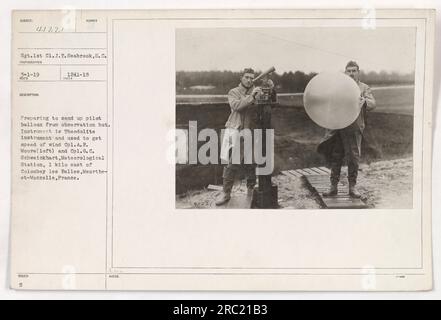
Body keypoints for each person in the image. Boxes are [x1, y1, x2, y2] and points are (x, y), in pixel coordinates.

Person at [317, 61, 376, 198]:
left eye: (354, 70)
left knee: (353, 158)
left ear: (358, 72)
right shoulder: (339, 88)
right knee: (336, 157)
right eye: (349, 71)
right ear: (345, 72)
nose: (351, 73)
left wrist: (364, 102)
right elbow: (330, 104)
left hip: (354, 129)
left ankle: (352, 187)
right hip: (339, 128)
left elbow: (373, 103)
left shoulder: (363, 88)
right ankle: (333, 187)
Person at [215, 68, 262, 206]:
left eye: (251, 78)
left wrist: (266, 92)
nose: (249, 80)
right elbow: (237, 106)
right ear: (241, 78)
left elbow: (263, 108)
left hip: (251, 131)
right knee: (232, 163)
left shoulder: (256, 92)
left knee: (251, 161)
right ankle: (226, 193)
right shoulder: (233, 92)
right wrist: (252, 97)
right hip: (236, 130)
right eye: (246, 77)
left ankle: (251, 188)